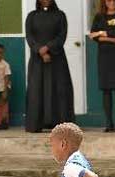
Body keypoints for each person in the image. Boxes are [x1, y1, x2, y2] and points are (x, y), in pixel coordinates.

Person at [24, 0, 74, 133]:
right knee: (36, 89)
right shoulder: (31, 16)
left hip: (56, 59)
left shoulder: (60, 15)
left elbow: (61, 36)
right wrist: (39, 49)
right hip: (37, 59)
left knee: (59, 89)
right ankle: (35, 124)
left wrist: (48, 48)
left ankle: (61, 124)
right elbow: (29, 36)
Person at [89, 0, 115, 132]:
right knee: (106, 90)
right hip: (104, 57)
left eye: (114, 0)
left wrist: (101, 34)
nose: (111, 2)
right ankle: (109, 123)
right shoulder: (99, 16)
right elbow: (92, 35)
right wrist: (108, 37)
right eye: (108, 0)